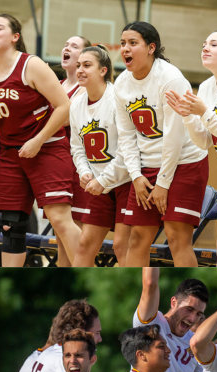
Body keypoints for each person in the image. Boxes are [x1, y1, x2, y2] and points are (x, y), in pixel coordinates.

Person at [0, 13, 81, 267]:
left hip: (47, 148)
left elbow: (64, 106)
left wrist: (38, 140)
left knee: (59, 220)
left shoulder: (31, 65)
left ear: (15, 37)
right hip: (11, 154)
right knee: (10, 227)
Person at [114, 21, 209, 267]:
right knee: (136, 239)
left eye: (133, 43)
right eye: (123, 43)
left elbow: (174, 136)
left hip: (185, 162)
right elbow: (126, 135)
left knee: (177, 238)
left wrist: (163, 184)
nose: (125, 48)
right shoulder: (122, 83)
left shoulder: (170, 78)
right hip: (146, 166)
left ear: (151, 48)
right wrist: (135, 176)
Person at [165, 28, 217, 267]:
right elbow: (204, 141)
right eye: (204, 43)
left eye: (213, 44)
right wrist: (188, 115)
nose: (205, 48)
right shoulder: (206, 87)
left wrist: (203, 112)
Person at [71, 45, 131, 267]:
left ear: (103, 70)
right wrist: (85, 172)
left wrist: (103, 180)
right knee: (85, 244)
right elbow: (77, 147)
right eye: (78, 65)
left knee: (122, 245)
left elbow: (128, 147)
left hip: (126, 181)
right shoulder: (76, 104)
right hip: (98, 184)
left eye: (87, 65)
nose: (80, 70)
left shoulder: (117, 99)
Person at [54, 34, 91, 267]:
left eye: (74, 46)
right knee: (60, 235)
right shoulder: (56, 85)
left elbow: (64, 119)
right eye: (66, 44)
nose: (67, 48)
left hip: (78, 165)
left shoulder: (84, 88)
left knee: (74, 230)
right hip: (56, 165)